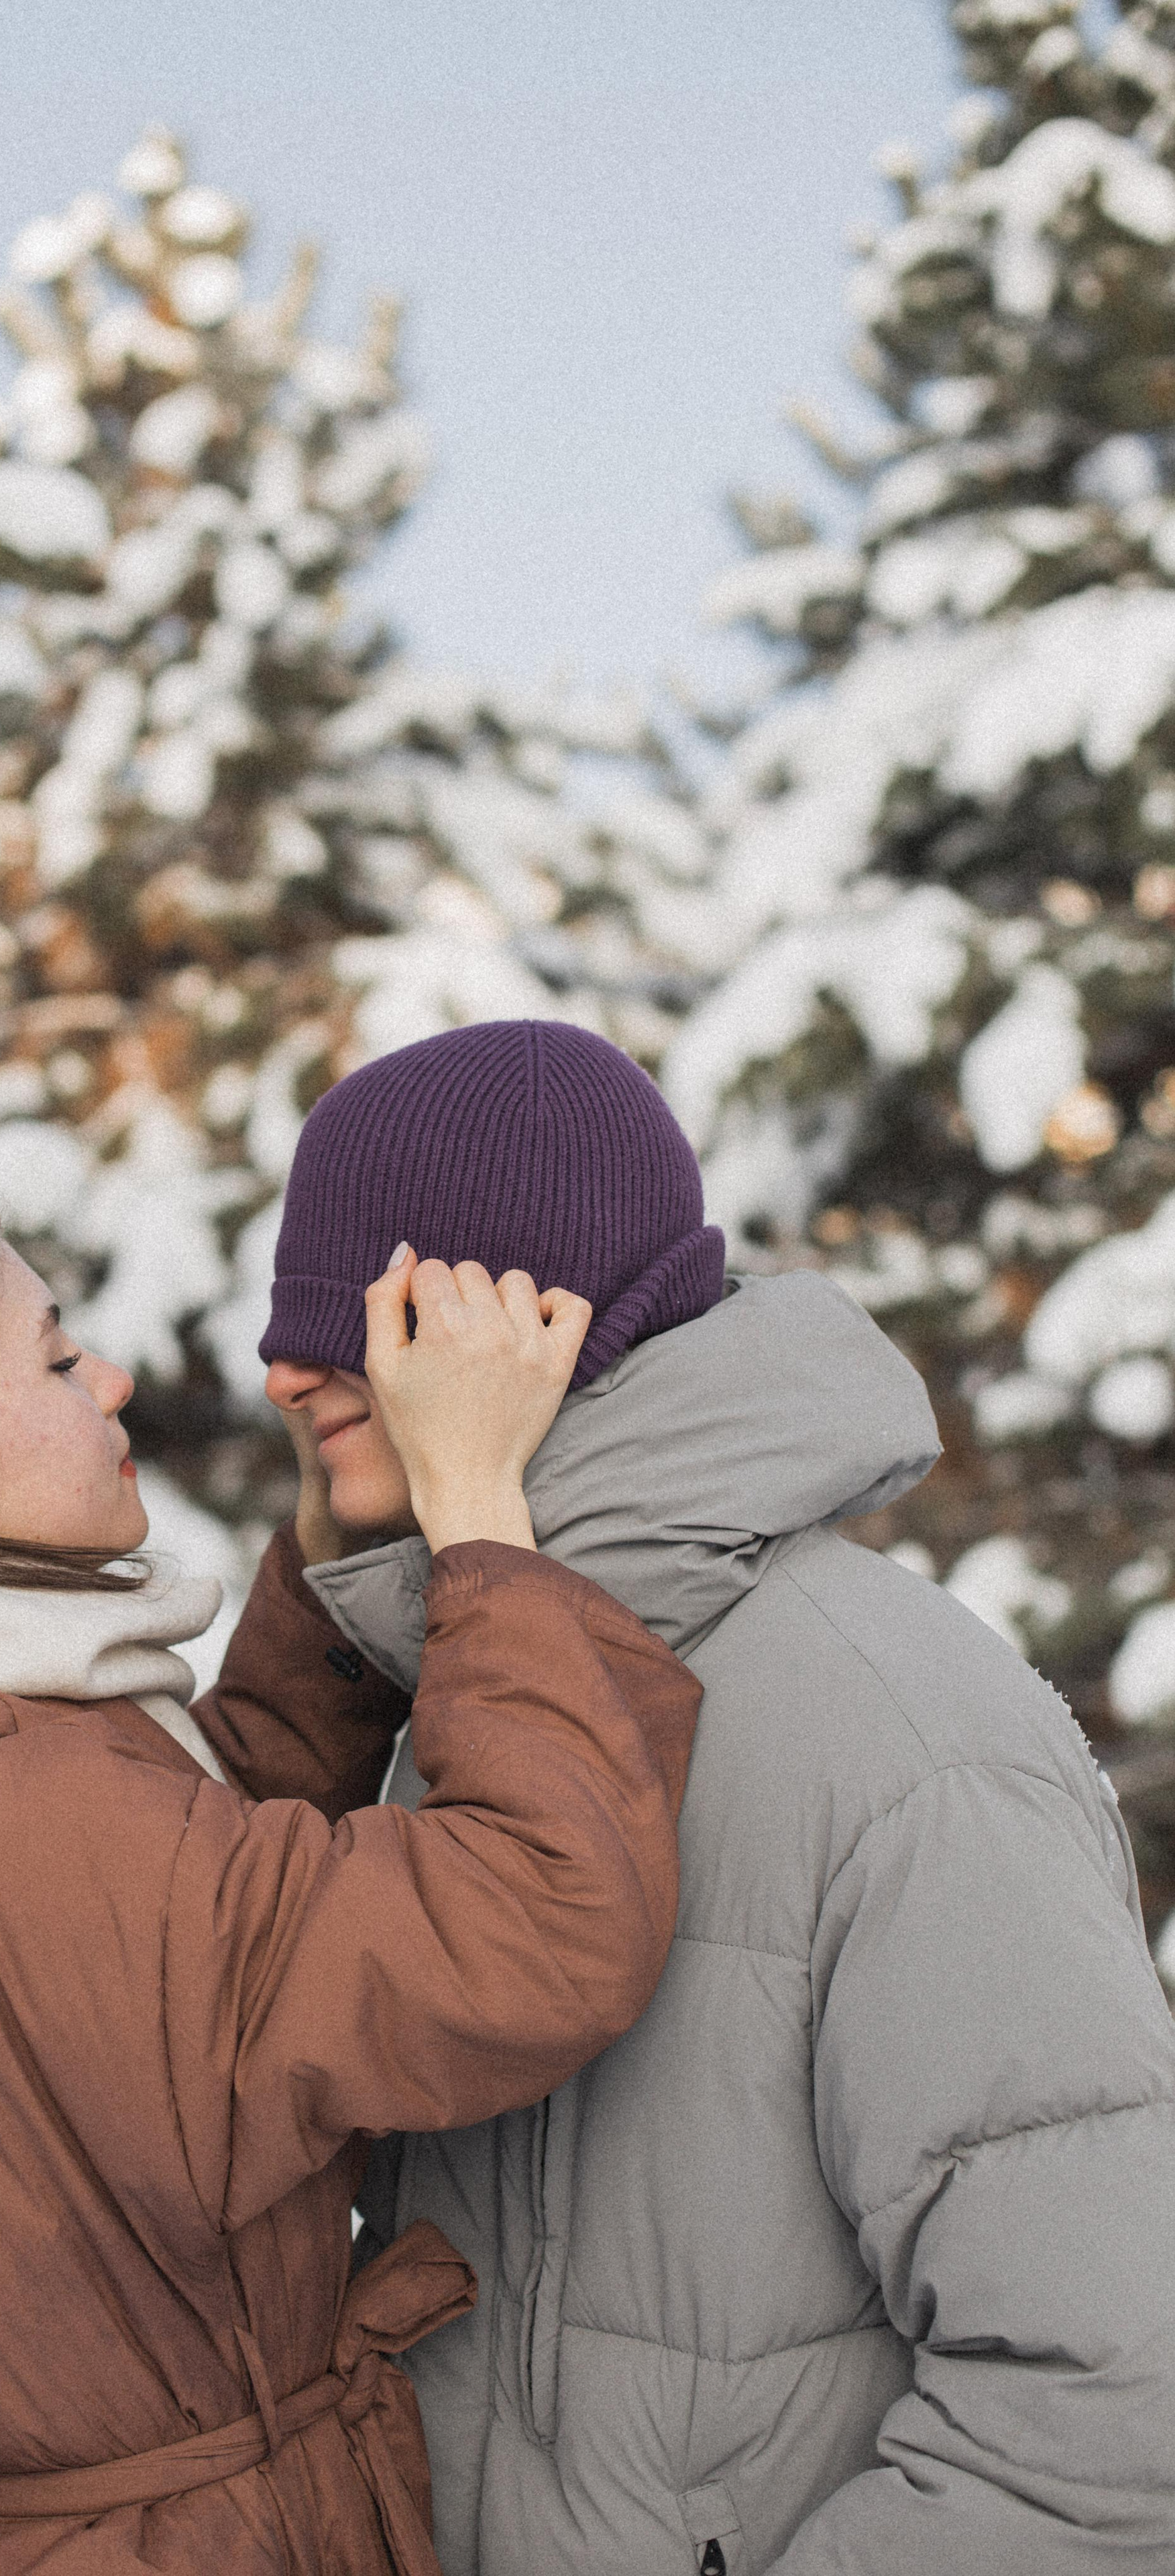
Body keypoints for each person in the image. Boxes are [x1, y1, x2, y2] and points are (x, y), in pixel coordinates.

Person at [0, 1172, 702, 2576]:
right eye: (56, 1360)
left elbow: (178, 1966)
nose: (111, 1379)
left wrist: (324, 1567)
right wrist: (479, 1515)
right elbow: (541, 1922)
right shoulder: (11, 1822)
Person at [259, 1018, 1175, 2576]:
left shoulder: (897, 1744)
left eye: (353, 1316)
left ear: (522, 1322)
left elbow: (1111, 2414)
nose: (281, 1371)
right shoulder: (454, 1709)